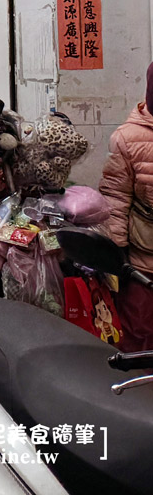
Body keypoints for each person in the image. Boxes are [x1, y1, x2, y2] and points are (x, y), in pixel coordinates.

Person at [100, 62, 153, 350]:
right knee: (138, 331)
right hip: (144, 257)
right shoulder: (127, 138)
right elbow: (115, 198)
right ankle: (139, 390)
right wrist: (117, 252)